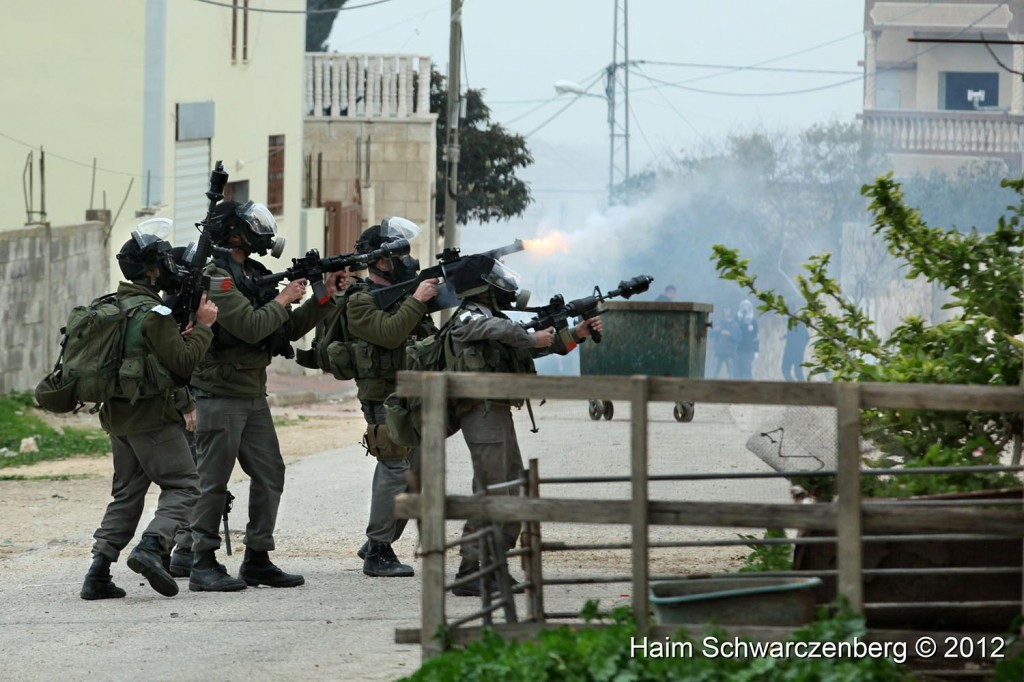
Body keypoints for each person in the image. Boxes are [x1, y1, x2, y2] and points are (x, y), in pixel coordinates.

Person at [188, 200, 348, 592]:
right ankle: (201, 562)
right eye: (251, 226)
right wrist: (282, 299)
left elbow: (285, 330)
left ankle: (257, 557)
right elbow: (249, 326)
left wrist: (322, 297)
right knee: (213, 481)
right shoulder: (216, 277)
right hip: (220, 394)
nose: (262, 233)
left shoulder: (252, 273)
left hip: (251, 393)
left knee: (269, 473)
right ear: (234, 234)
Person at [446, 256, 602, 597]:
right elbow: (500, 333)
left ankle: (493, 565)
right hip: (481, 410)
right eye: (495, 278)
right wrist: (530, 338)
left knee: (511, 488)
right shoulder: (469, 314)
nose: (504, 284)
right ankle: (471, 570)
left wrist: (575, 334)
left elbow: (522, 350)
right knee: (492, 489)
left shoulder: (496, 318)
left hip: (497, 409)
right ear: (482, 287)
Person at [81, 227, 218, 600]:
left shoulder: (115, 306)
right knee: (185, 484)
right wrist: (204, 328)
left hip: (117, 418)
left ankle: (98, 571)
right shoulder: (154, 314)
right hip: (151, 419)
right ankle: (153, 547)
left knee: (127, 493)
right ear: (153, 273)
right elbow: (182, 365)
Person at [344, 219, 439, 577]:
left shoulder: (402, 295)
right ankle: (379, 550)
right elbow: (388, 334)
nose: (408, 259)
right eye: (401, 253)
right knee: (394, 468)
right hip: (382, 397)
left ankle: (378, 540)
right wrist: (417, 299)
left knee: (416, 474)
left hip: (410, 395)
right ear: (381, 262)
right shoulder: (360, 300)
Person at [709, 306, 739, 379]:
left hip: (730, 353)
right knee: (714, 372)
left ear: (731, 312)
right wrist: (715, 331)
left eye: (728, 310)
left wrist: (730, 335)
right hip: (719, 351)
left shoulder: (735, 325)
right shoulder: (718, 323)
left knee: (731, 373)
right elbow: (710, 334)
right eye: (725, 310)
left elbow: (738, 338)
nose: (726, 312)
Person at [734, 299, 759, 380]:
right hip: (737, 350)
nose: (745, 308)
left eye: (747, 307)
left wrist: (756, 351)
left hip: (748, 350)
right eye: (743, 306)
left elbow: (756, 337)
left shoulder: (753, 320)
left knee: (747, 371)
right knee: (737, 372)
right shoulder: (737, 319)